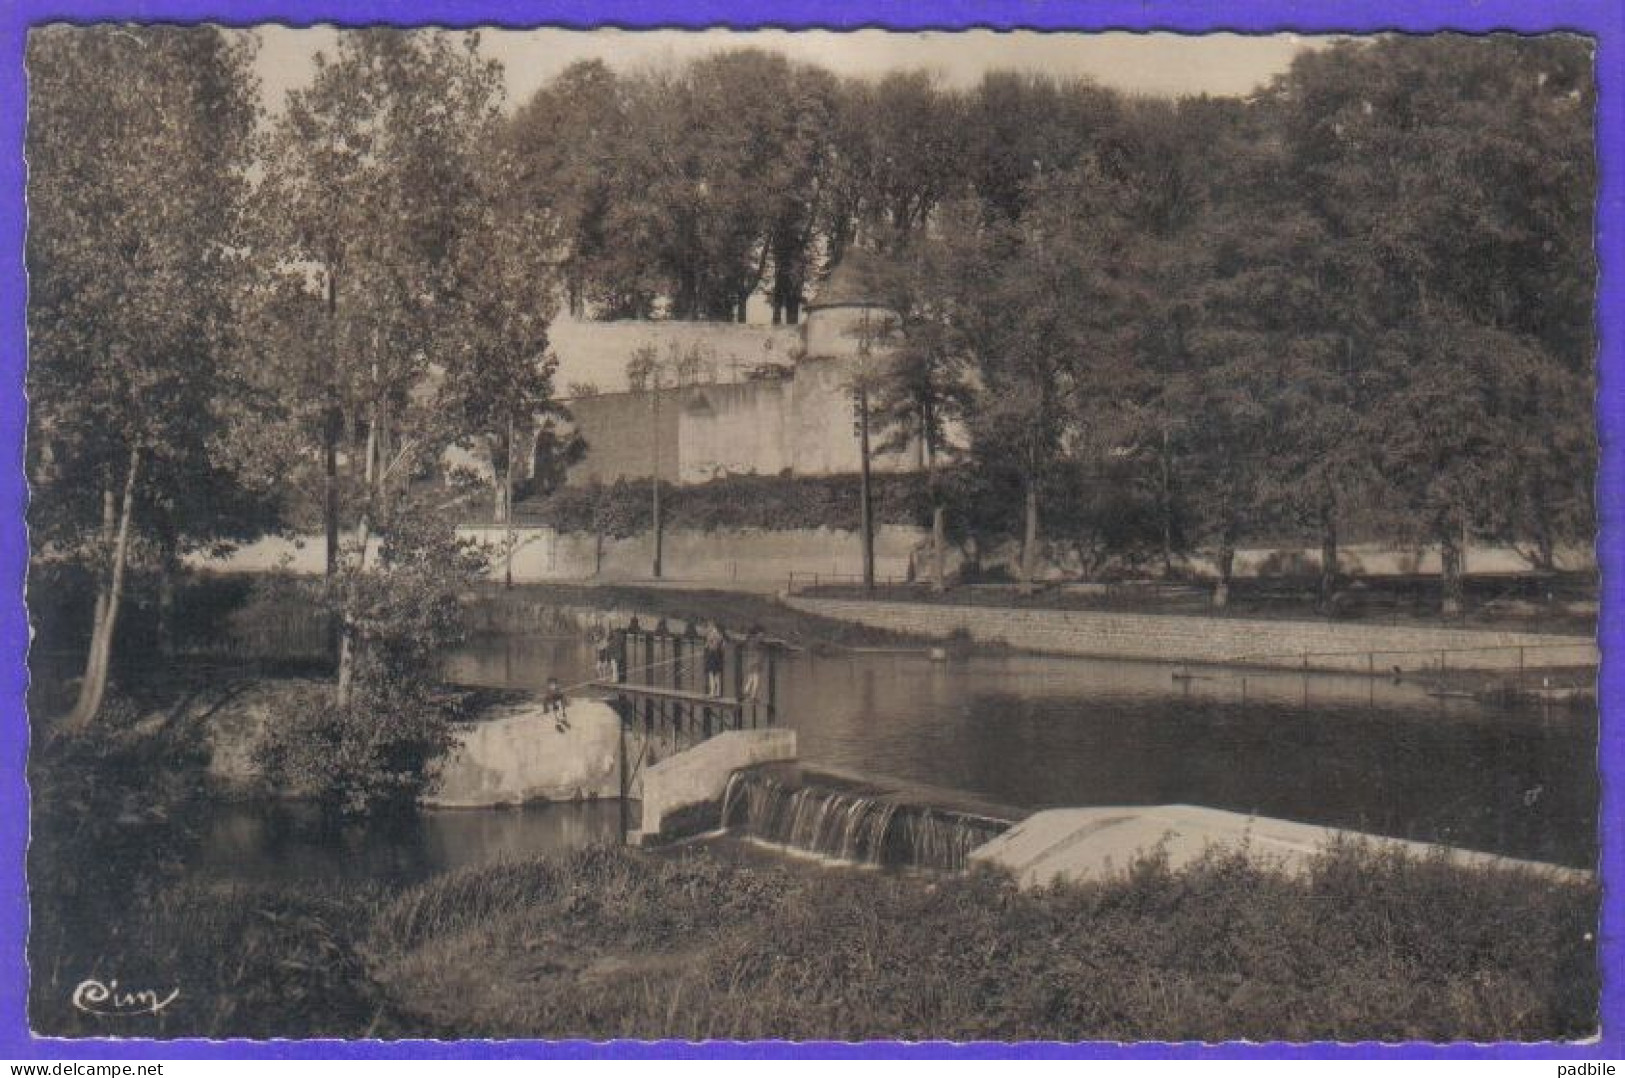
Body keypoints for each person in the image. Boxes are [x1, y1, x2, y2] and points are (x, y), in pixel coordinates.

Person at [742, 624, 766, 703]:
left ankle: (745, 692)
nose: (763, 634)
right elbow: (761, 647)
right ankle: (753, 696)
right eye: (762, 633)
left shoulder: (749, 640)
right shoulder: (757, 640)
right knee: (756, 679)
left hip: (750, 660)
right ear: (758, 633)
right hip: (756, 661)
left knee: (750, 678)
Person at [703, 621, 726, 698]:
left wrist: (707, 647)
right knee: (717, 675)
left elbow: (707, 646)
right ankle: (718, 692)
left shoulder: (711, 635)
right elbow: (723, 647)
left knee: (711, 674)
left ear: (711, 626)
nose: (707, 629)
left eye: (708, 627)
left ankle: (712, 692)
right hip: (718, 657)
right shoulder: (720, 635)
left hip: (712, 655)